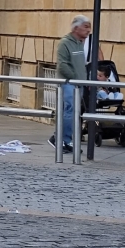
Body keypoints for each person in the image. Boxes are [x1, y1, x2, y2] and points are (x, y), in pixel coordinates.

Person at [48, 15, 90, 154]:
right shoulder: (65, 43)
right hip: (69, 83)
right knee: (69, 111)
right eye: (86, 27)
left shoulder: (80, 42)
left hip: (79, 83)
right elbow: (63, 66)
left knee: (74, 113)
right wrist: (75, 78)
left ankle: (66, 140)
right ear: (76, 28)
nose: (88, 30)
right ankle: (61, 139)